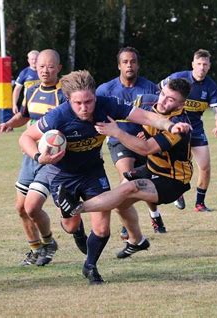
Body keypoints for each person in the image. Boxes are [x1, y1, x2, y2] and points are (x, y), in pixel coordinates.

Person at [20, 70, 191, 285]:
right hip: (62, 176)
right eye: (78, 103)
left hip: (93, 171)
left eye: (89, 101)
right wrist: (39, 157)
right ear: (68, 100)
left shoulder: (106, 105)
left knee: (102, 227)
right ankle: (78, 232)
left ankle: (90, 266)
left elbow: (145, 116)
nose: (85, 108)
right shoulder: (59, 116)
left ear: (95, 96)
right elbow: (26, 136)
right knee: (71, 225)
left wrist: (169, 125)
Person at [57, 78, 193, 259]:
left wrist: (116, 132)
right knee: (121, 199)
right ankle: (137, 241)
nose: (162, 100)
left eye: (170, 100)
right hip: (152, 168)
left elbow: (146, 149)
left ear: (181, 104)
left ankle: (75, 209)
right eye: (163, 94)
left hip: (173, 180)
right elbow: (135, 118)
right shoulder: (148, 103)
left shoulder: (179, 125)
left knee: (130, 188)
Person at [0, 49, 85, 266]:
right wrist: (10, 123)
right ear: (35, 67)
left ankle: (53, 241)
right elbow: (25, 116)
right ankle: (37, 248)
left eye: (50, 66)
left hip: (54, 160)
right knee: (20, 208)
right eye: (41, 66)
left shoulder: (64, 95)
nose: (45, 70)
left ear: (59, 68)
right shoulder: (32, 90)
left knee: (32, 207)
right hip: (31, 156)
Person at [96, 47, 165, 238]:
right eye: (125, 62)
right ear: (119, 65)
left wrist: (147, 131)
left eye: (133, 61)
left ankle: (154, 214)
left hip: (145, 144)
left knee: (148, 183)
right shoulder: (105, 90)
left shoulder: (151, 89)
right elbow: (96, 116)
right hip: (119, 141)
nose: (129, 65)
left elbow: (160, 116)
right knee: (127, 177)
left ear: (138, 65)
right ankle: (126, 222)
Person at [160, 49, 217, 212]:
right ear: (193, 64)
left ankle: (199, 203)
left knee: (205, 166)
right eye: (199, 64)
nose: (202, 67)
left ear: (209, 66)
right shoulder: (177, 78)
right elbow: (157, 91)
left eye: (205, 64)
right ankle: (176, 193)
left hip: (195, 129)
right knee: (171, 163)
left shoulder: (211, 86)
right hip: (174, 127)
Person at [12, 50, 40, 114]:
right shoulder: (24, 73)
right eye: (32, 59)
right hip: (28, 103)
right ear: (28, 60)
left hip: (42, 102)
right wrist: (14, 104)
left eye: (36, 59)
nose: (34, 61)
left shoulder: (44, 71)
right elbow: (17, 90)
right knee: (29, 122)